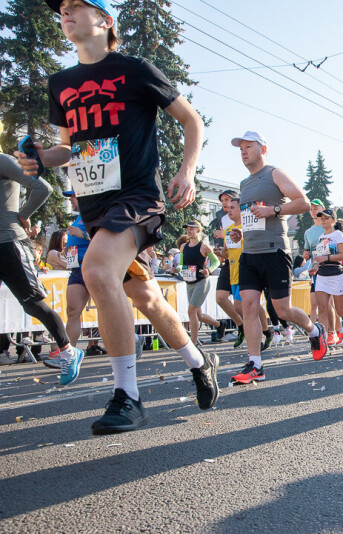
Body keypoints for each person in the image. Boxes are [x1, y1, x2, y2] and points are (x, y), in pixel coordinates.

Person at [18, 0, 218, 434]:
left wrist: (186, 171)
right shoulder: (61, 83)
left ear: (105, 20)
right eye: (62, 8)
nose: (65, 12)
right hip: (95, 207)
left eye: (76, 5)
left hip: (137, 196)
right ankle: (200, 362)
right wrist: (38, 157)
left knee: (95, 270)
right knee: (146, 297)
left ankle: (128, 395)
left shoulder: (134, 69)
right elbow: (68, 148)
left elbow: (191, 120)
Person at [228, 131, 323, 385]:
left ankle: (314, 330)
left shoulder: (274, 173)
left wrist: (274, 209)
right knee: (248, 305)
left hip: (274, 252)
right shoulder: (244, 184)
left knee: (282, 309)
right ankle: (255, 365)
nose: (243, 151)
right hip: (250, 253)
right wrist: (242, 231)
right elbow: (252, 218)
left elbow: (302, 203)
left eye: (248, 146)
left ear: (263, 149)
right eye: (241, 148)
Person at [1, 124, 84, 384]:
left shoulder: (3, 160)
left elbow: (43, 188)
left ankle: (68, 351)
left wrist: (23, 214)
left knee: (32, 303)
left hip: (9, 244)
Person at [63, 190, 112, 357]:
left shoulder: (96, 214)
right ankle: (69, 355)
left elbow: (108, 239)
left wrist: (82, 234)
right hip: (77, 268)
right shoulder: (79, 217)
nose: (70, 200)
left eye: (73, 196)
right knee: (72, 311)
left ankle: (129, 342)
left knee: (106, 309)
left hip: (94, 266)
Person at [309, 208, 343, 347]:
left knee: (341, 310)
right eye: (321, 218)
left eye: (326, 218)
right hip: (322, 275)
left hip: (336, 274)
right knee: (323, 308)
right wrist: (316, 267)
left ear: (333, 220)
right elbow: (320, 257)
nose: (323, 220)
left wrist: (326, 258)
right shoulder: (321, 237)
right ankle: (326, 337)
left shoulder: (338, 234)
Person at [178, 221, 223, 345]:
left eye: (191, 229)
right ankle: (219, 324)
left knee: (191, 311)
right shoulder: (183, 247)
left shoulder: (204, 247)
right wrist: (176, 269)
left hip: (201, 281)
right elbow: (181, 264)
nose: (188, 231)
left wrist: (209, 270)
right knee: (199, 315)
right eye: (187, 229)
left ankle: (192, 343)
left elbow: (216, 262)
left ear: (198, 231)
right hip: (189, 282)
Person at [215, 198, 246, 345]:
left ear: (241, 209)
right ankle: (244, 328)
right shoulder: (228, 229)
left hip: (246, 269)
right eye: (228, 207)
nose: (228, 209)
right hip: (231, 269)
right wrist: (219, 252)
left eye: (232, 207)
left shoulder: (249, 228)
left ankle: (262, 332)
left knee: (242, 306)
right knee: (224, 300)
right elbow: (227, 253)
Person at [304, 199, 326, 324]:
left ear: (323, 209)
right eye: (311, 209)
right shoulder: (308, 232)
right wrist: (305, 255)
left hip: (328, 268)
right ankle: (313, 332)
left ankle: (334, 329)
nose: (313, 211)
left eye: (316, 208)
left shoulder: (328, 228)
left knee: (328, 304)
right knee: (313, 304)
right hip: (314, 272)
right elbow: (306, 252)